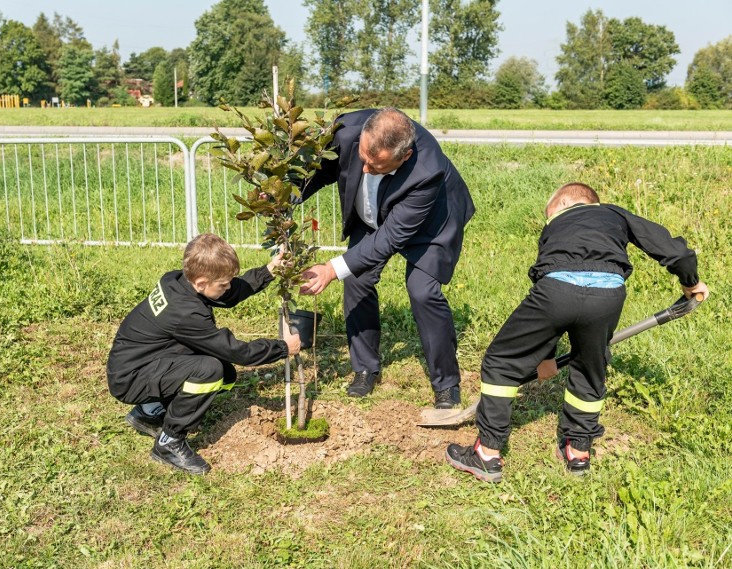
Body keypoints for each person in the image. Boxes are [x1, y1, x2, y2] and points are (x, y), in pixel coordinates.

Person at [446, 182, 709, 483]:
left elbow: (548, 289)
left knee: (501, 361)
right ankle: (578, 453)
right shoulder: (616, 215)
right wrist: (690, 282)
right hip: (608, 295)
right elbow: (676, 251)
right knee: (590, 367)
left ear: (562, 204)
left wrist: (543, 354)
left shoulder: (556, 225)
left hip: (556, 289)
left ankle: (487, 453)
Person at [299, 107, 475, 409]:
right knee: (355, 278)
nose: (365, 169)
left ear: (403, 156)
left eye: (375, 164)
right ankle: (365, 368)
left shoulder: (426, 171)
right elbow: (321, 169)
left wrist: (331, 268)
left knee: (423, 291)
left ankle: (447, 384)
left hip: (432, 222)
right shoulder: (345, 131)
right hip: (373, 213)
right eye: (363, 157)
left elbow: (391, 237)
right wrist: (287, 193)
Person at [106, 233, 301, 475]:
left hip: (144, 362)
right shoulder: (186, 314)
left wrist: (268, 271)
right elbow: (237, 352)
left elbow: (229, 294)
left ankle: (149, 412)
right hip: (130, 378)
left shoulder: (177, 281)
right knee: (210, 371)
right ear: (201, 283)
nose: (228, 286)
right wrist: (282, 347)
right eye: (223, 284)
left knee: (226, 375)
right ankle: (170, 441)